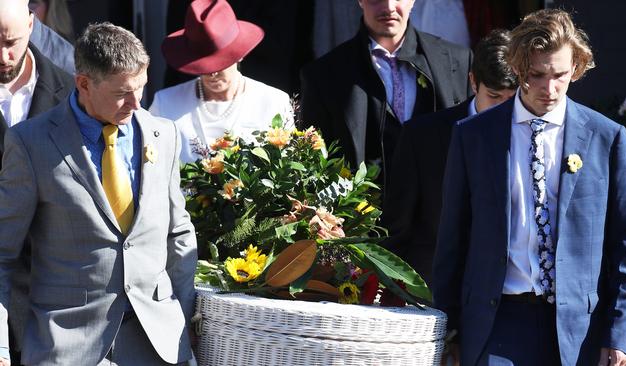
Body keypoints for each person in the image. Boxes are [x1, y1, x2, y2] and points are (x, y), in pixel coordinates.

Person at [432, 9, 626, 366]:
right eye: (537, 75)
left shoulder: (606, 138)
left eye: (560, 75)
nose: (549, 89)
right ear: (517, 68)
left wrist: (621, 333)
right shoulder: (474, 136)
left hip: (578, 329)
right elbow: (452, 238)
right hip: (495, 321)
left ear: (576, 68)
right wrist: (449, 328)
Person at [0, 22, 197, 365]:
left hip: (158, 345)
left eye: (142, 88)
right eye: (122, 93)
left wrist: (183, 321)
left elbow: (178, 234)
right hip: (66, 346)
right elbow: (2, 253)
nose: (136, 103)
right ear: (84, 84)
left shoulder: (163, 134)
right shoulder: (30, 143)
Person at [382, 29, 517, 288]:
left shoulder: (537, 134)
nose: (504, 109)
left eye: (513, 99)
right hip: (435, 289)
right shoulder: (423, 137)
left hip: (508, 294)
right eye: (495, 97)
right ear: (473, 82)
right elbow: (397, 228)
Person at [300, 0, 472, 191]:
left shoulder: (457, 62)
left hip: (438, 212)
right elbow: (314, 164)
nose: (389, 7)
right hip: (362, 213)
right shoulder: (323, 76)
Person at [0, 1, 74, 363]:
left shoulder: (74, 92)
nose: (3, 55)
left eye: (10, 41)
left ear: (33, 24)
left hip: (52, 301)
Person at [151, 0, 294, 164]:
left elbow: (288, 170)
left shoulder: (273, 102)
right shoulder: (165, 103)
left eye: (221, 63)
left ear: (239, 54)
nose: (212, 73)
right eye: (203, 64)